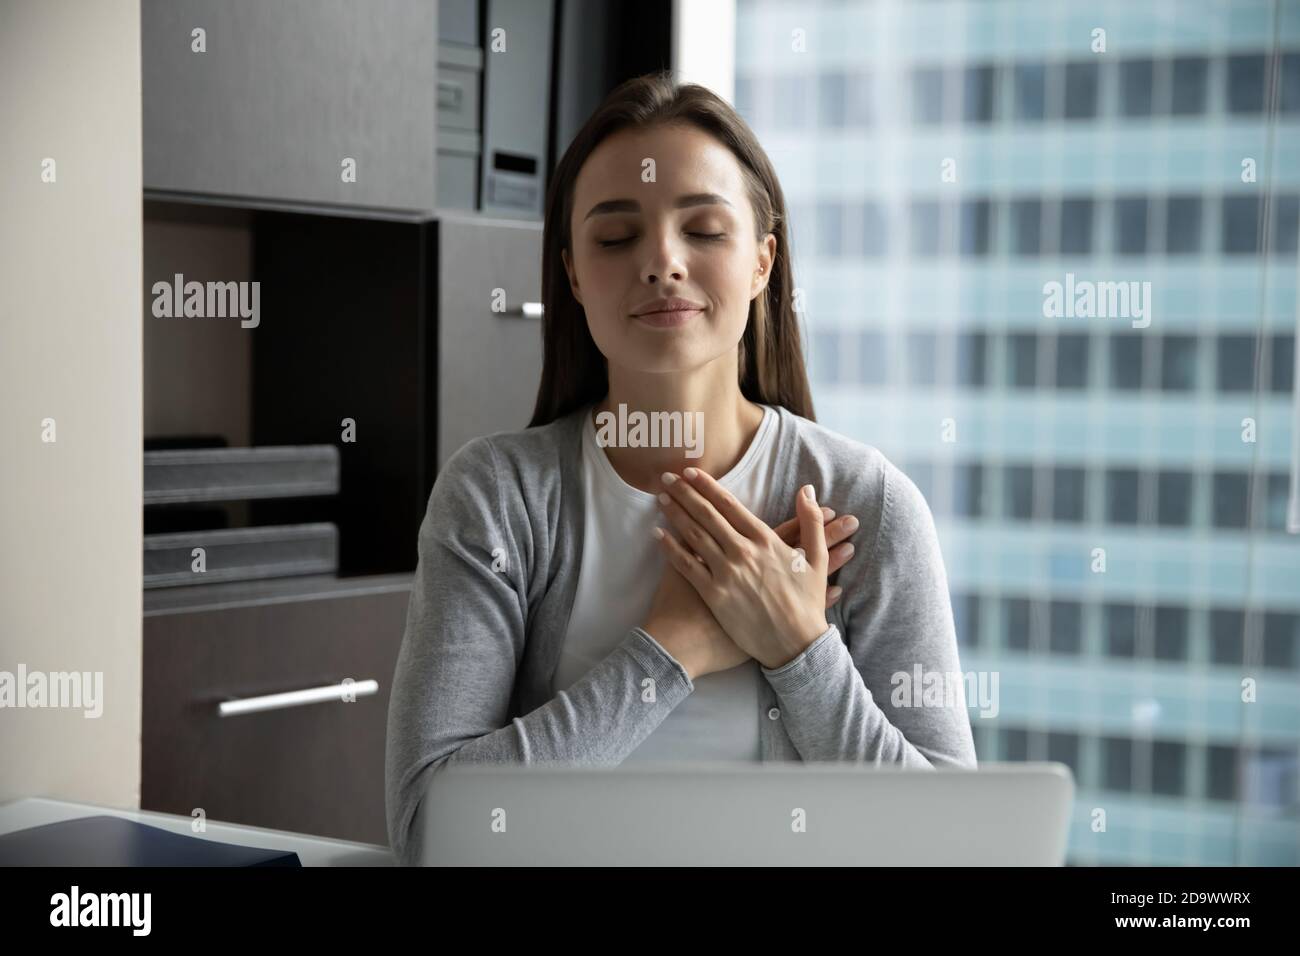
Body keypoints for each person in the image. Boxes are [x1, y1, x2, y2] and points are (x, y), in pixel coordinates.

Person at [385, 71, 977, 866]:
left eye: (703, 229)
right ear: (572, 274)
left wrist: (801, 652)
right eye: (616, 237)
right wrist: (670, 651)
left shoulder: (868, 505)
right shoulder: (495, 497)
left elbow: (956, 850)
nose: (662, 261)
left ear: (763, 263)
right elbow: (432, 833)